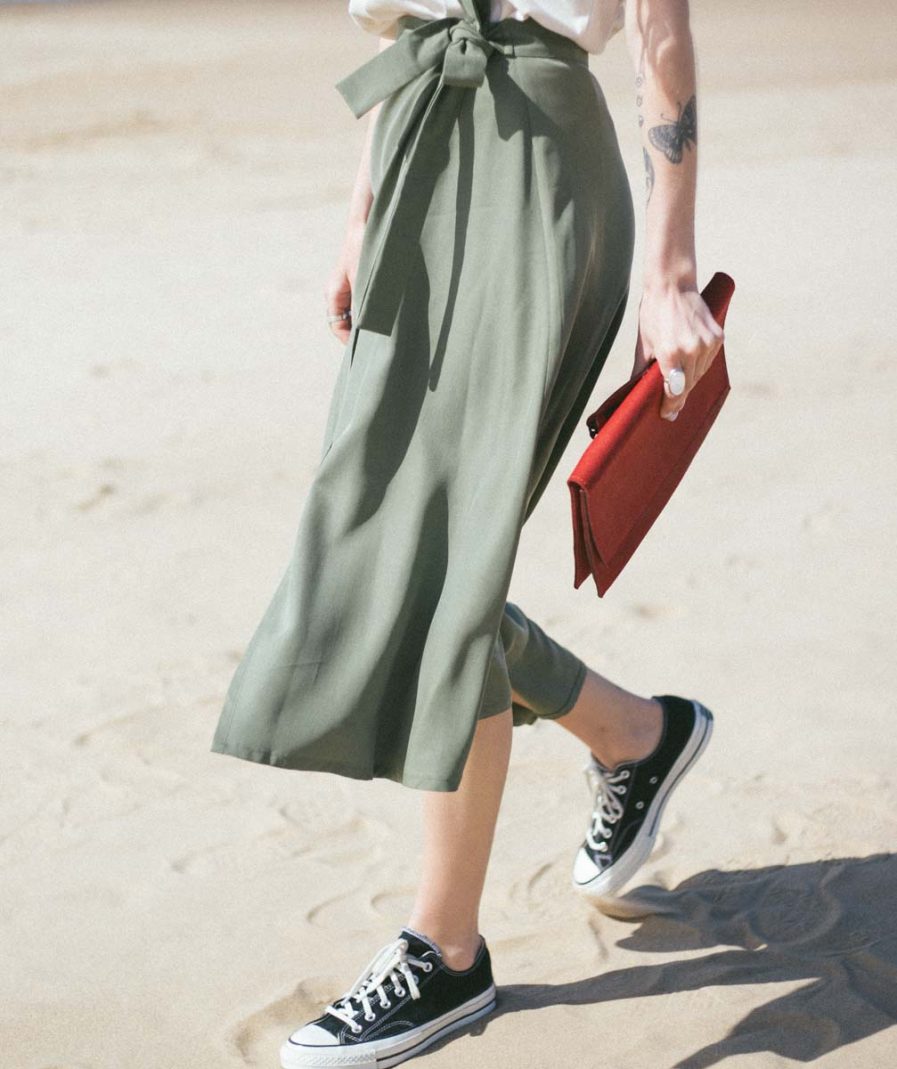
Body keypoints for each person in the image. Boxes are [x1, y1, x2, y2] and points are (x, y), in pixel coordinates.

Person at [209, 0, 725, 1065]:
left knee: (449, 560)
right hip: (414, 157)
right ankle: (636, 733)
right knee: (378, 539)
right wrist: (363, 214)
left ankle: (444, 952)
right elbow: (401, 22)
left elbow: (660, 34)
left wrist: (669, 273)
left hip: (543, 168)